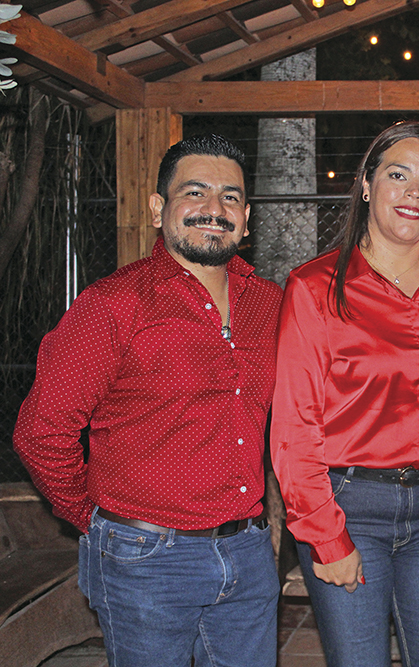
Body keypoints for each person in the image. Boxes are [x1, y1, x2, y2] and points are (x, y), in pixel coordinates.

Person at [13, 134, 282, 667]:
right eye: (195, 192)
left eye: (230, 197)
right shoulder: (113, 304)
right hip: (145, 561)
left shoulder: (269, 304)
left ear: (247, 218)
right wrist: (98, 521)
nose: (214, 208)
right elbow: (42, 432)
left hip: (248, 554)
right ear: (159, 209)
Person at [270, 120, 419, 667]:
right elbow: (294, 428)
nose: (415, 192)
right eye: (399, 176)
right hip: (348, 506)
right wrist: (325, 537)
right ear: (367, 185)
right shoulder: (315, 287)